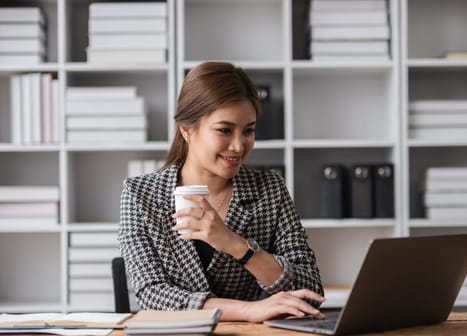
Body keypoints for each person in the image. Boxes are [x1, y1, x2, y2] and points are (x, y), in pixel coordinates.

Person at [118, 61, 324, 322]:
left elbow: (310, 291)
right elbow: (153, 296)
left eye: (248, 131)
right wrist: (249, 310)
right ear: (187, 130)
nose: (239, 146)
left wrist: (239, 247)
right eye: (224, 130)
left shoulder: (269, 188)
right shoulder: (140, 195)